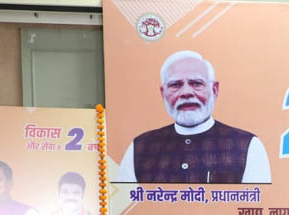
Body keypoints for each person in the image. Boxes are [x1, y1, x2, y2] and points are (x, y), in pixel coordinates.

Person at [116, 50, 271, 184]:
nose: (186, 93)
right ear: (163, 93)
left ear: (214, 90)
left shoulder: (247, 146)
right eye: (175, 85)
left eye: (196, 83)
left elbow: (255, 204)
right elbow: (125, 206)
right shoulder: (140, 147)